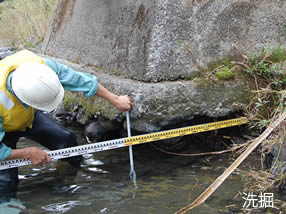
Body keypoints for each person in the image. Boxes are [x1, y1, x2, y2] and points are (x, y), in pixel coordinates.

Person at [0, 49, 132, 200]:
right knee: (5, 185)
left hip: (27, 117)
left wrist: (115, 99)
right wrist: (27, 153)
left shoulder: (40, 67)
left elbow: (78, 79)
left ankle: (67, 181)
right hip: (4, 130)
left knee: (67, 142)